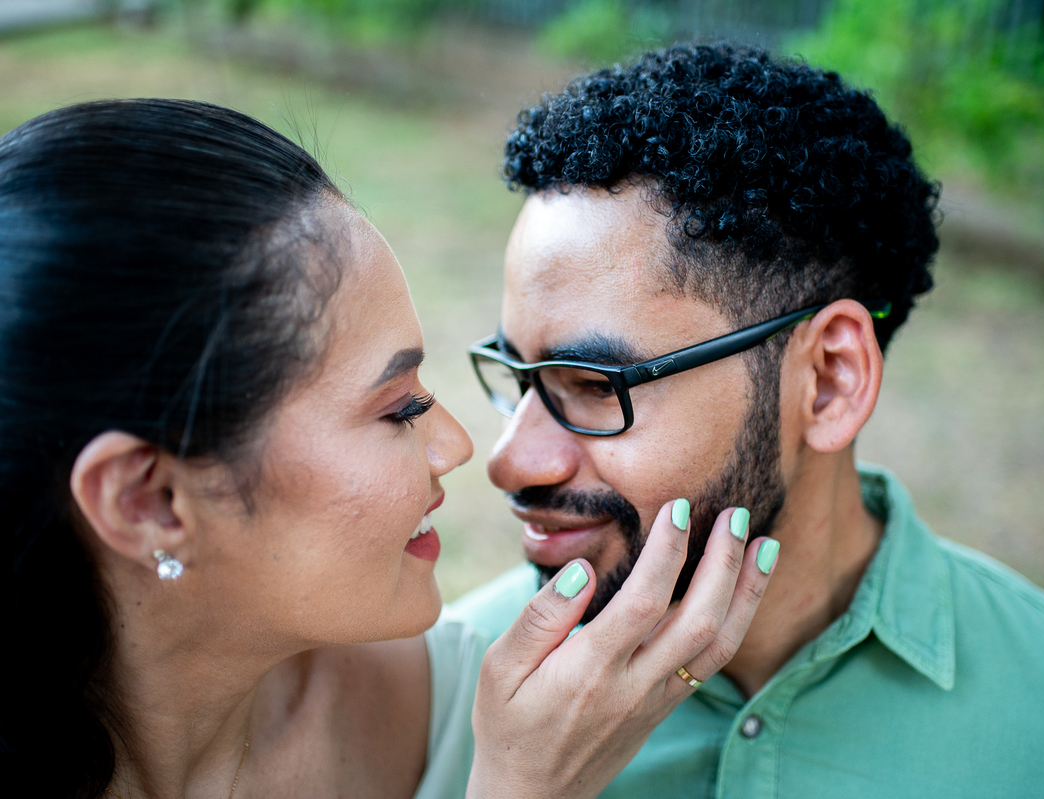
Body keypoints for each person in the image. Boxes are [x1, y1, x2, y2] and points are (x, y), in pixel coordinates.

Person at [451, 43, 1044, 796]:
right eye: (516, 374)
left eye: (592, 384)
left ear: (830, 380)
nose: (511, 460)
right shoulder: (441, 681)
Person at [0, 98, 777, 799]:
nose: (465, 447)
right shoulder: (528, 753)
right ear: (148, 500)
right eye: (397, 409)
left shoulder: (467, 695)